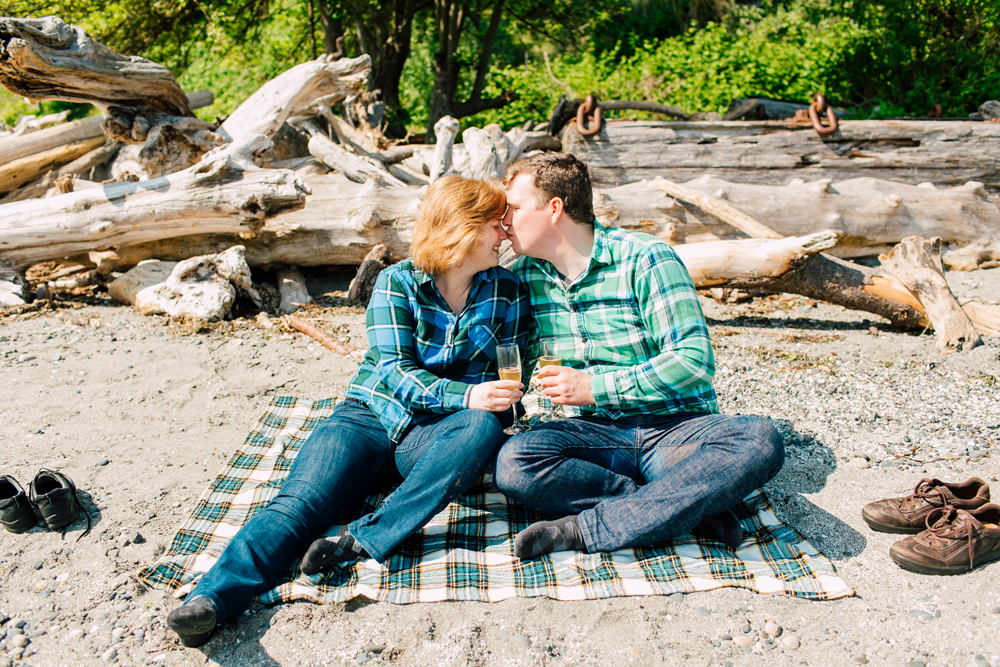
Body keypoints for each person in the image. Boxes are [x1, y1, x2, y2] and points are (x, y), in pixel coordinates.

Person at [167, 176, 528, 647]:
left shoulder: (507, 289)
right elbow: (394, 371)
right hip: (368, 416)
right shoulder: (398, 283)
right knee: (300, 503)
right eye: (495, 224)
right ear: (464, 227)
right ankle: (212, 600)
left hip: (433, 434)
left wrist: (501, 400)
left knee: (480, 427)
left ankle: (358, 542)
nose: (505, 234)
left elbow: (513, 367)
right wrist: (464, 395)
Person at [492, 153, 784, 560]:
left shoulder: (645, 258)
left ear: (554, 208)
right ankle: (679, 508)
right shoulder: (526, 275)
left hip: (674, 430)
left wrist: (595, 386)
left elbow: (693, 360)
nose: (505, 221)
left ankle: (585, 528)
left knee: (759, 440)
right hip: (598, 437)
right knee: (515, 464)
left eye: (515, 208)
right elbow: (511, 357)